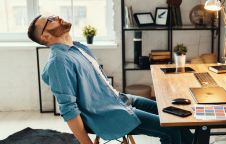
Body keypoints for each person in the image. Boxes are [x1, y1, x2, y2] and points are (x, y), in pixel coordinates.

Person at [27, 15, 193, 144]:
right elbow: (69, 109)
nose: (56, 17)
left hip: (118, 100)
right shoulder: (58, 62)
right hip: (106, 114)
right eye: (49, 20)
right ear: (45, 37)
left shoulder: (77, 48)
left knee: (176, 118)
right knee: (170, 129)